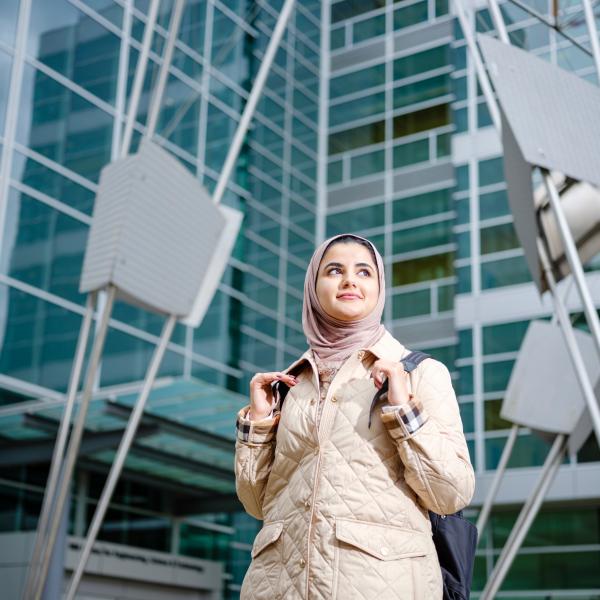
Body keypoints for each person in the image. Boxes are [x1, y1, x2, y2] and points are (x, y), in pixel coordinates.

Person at [234, 233, 475, 600]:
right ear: (314, 288)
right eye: (334, 271)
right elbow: (256, 503)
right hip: (278, 587)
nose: (349, 280)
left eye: (364, 272)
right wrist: (258, 423)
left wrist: (403, 409)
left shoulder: (419, 373)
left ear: (380, 288)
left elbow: (451, 494)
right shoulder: (289, 385)